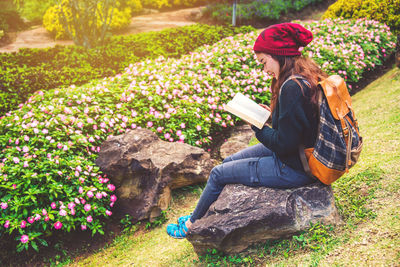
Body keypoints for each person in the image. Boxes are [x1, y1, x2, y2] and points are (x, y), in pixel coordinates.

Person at [166, 22, 328, 239]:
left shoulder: (291, 87)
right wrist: (273, 114)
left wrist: (256, 125)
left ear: (279, 55)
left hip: (294, 168)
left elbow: (282, 143)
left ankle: (191, 226)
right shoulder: (303, 75)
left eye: (264, 62)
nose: (265, 69)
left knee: (217, 173)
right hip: (297, 154)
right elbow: (299, 123)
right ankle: (202, 214)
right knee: (228, 162)